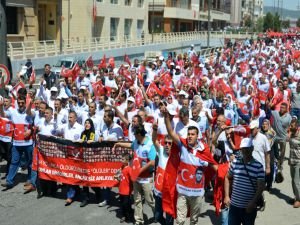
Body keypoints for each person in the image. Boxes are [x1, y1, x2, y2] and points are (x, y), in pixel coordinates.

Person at [163, 107, 218, 225]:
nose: (189, 136)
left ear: (197, 136)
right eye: (188, 134)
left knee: (193, 221)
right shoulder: (182, 145)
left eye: (192, 134)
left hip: (197, 194)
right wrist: (166, 118)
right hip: (182, 192)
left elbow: (216, 168)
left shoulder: (204, 151)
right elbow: (171, 132)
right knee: (180, 221)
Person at [113, 124, 155, 225]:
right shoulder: (136, 142)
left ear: (140, 134)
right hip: (137, 178)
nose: (134, 136)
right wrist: (118, 144)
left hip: (146, 178)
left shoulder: (150, 144)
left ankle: (157, 214)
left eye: (135, 135)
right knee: (137, 200)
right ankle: (139, 220)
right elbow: (129, 145)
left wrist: (140, 170)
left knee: (150, 201)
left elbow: (152, 162)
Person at [224, 138, 265, 225]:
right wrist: (227, 196)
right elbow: (227, 177)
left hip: (249, 208)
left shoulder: (258, 166)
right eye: (243, 148)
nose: (245, 150)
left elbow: (261, 187)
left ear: (252, 148)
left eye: (247, 148)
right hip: (234, 206)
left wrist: (252, 202)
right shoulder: (235, 162)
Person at [152, 121, 174, 225]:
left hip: (170, 193)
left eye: (170, 143)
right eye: (165, 142)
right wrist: (155, 130)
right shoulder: (160, 151)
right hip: (159, 191)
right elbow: (154, 140)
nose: (167, 145)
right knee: (157, 216)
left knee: (170, 217)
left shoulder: (177, 156)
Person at [78, 118, 96, 207]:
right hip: (83, 159)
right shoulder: (83, 133)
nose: (87, 124)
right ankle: (85, 198)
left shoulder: (93, 133)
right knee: (84, 179)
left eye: (88, 123)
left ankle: (98, 193)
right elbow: (81, 141)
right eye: (85, 123)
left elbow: (92, 141)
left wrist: (90, 142)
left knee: (93, 180)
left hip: (92, 160)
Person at [114, 153, 133, 223]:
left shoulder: (129, 169)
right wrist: (117, 177)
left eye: (123, 159)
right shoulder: (122, 168)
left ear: (127, 161)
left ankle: (128, 218)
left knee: (126, 205)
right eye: (121, 159)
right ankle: (124, 216)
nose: (121, 160)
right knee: (122, 204)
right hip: (121, 190)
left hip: (126, 191)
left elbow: (132, 179)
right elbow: (120, 177)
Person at [288, 119, 300, 208]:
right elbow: (286, 140)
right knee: (293, 181)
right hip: (291, 160)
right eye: (290, 125)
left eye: (292, 126)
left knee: (296, 182)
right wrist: (289, 133)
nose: (290, 127)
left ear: (297, 126)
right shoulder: (291, 134)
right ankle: (296, 197)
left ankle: (298, 200)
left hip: (298, 161)